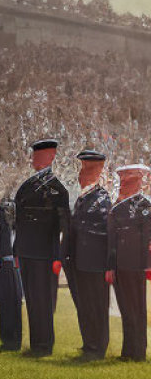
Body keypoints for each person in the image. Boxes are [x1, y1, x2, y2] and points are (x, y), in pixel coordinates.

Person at [14, 138, 70, 357]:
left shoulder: (57, 188)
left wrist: (59, 256)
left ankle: (45, 345)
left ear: (51, 157)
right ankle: (36, 343)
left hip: (45, 254)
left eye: (39, 155)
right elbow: (20, 221)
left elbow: (64, 225)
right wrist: (17, 250)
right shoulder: (27, 185)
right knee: (31, 300)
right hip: (27, 251)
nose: (34, 158)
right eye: (34, 155)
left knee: (44, 300)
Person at [64, 150, 111, 361]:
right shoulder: (82, 199)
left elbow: (104, 229)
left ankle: (97, 348)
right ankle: (88, 343)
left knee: (96, 305)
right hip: (79, 261)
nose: (80, 174)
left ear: (97, 172)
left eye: (86, 169)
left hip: (95, 262)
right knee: (83, 305)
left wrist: (80, 226)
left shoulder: (102, 198)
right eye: (82, 168)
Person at [106, 164, 151, 362]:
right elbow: (111, 242)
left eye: (129, 181)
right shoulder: (117, 208)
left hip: (138, 265)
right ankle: (128, 351)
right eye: (123, 181)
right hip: (120, 265)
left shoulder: (147, 206)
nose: (124, 184)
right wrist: (110, 266)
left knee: (137, 309)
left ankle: (139, 352)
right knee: (126, 308)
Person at [0, 198, 23, 351]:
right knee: (6, 302)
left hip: (11, 264)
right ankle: (9, 337)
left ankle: (13, 338)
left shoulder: (13, 224)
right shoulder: (1, 224)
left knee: (13, 301)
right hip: (4, 264)